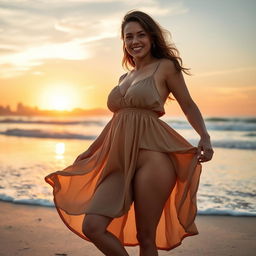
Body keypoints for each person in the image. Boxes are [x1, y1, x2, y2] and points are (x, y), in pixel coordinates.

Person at [45, 10, 214, 256]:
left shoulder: (165, 67)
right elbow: (117, 119)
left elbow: (187, 104)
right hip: (119, 163)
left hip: (153, 162)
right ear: (123, 42)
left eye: (141, 35)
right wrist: (90, 151)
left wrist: (205, 137)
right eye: (128, 37)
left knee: (146, 237)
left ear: (152, 37)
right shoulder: (124, 76)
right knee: (93, 226)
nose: (135, 41)